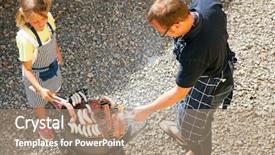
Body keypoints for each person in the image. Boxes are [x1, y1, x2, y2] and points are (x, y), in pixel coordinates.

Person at [132, 0, 236, 154]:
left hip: (213, 85)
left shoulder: (193, 55)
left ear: (177, 25)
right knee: (186, 113)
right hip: (217, 62)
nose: (163, 35)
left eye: (163, 32)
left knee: (199, 125)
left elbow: (179, 93)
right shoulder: (206, 5)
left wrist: (146, 110)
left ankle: (197, 149)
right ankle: (183, 131)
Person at [15, 0, 63, 140]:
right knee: (39, 102)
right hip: (35, 75)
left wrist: (57, 51)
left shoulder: (49, 18)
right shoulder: (25, 38)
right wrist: (40, 90)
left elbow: (52, 37)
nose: (41, 24)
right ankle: (42, 123)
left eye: (43, 18)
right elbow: (27, 70)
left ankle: (53, 98)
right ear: (26, 17)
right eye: (35, 22)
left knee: (54, 86)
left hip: (51, 64)